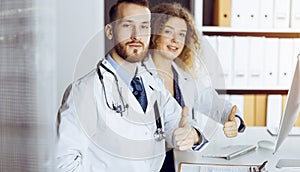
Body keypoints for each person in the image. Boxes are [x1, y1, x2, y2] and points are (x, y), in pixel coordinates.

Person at [55, 0, 207, 171]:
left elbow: (181, 124)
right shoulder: (85, 90)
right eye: (127, 25)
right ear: (110, 31)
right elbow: (64, 165)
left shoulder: (152, 85)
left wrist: (192, 135)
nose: (136, 35)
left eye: (144, 26)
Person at [142, 3, 246, 172]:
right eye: (168, 32)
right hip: (148, 163)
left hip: (179, 158)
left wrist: (234, 120)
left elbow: (214, 104)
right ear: (154, 34)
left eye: (181, 34)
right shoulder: (138, 75)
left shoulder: (184, 78)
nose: (176, 40)